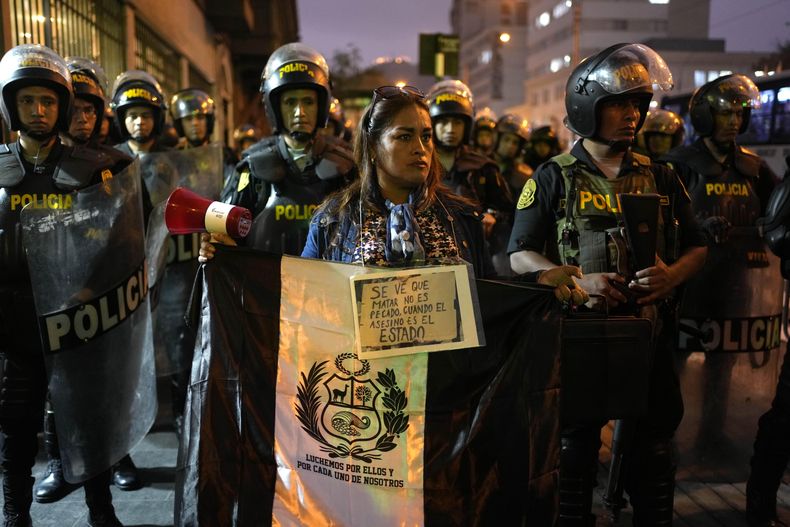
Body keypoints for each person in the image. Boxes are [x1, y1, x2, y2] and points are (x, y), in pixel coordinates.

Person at [508, 43, 707, 525]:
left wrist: (671, 276)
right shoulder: (554, 177)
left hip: (648, 334)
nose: (632, 115)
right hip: (582, 337)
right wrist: (575, 278)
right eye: (620, 103)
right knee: (574, 451)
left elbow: (698, 246)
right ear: (586, 106)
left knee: (655, 449)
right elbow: (519, 255)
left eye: (639, 104)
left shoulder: (662, 175)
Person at [201, 85, 587, 309]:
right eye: (404, 137)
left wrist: (540, 280)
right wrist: (229, 259)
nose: (420, 148)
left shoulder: (461, 217)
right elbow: (303, 296)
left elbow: (486, 295)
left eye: (425, 136)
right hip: (359, 400)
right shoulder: (333, 218)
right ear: (372, 146)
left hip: (442, 399)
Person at [0, 44, 125, 527]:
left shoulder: (93, 169)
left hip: (77, 317)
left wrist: (93, 293)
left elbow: (116, 244)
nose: (38, 111)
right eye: (28, 101)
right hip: (14, 323)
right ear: (12, 105)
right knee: (16, 425)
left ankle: (101, 511)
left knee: (87, 424)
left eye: (48, 102)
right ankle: (15, 511)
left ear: (63, 106)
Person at [659, 74, 778, 527]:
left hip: (735, 282)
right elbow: (662, 216)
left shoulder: (753, 167)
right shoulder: (678, 163)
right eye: (726, 112)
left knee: (723, 365)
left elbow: (776, 213)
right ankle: (668, 440)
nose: (734, 120)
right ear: (706, 115)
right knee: (675, 358)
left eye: (739, 113)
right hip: (689, 284)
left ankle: (711, 434)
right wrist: (695, 226)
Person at [34, 56, 135, 506]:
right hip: (55, 292)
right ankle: (59, 464)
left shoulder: (119, 162)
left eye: (91, 109)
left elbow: (138, 227)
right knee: (58, 389)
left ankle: (120, 457)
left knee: (113, 384)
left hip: (109, 294)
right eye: (77, 108)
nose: (83, 118)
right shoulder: (42, 166)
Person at [221, 42, 355, 255]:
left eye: (308, 102)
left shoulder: (347, 168)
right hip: (267, 286)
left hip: (331, 287)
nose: (299, 112)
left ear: (321, 105)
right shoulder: (252, 169)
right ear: (274, 107)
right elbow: (224, 235)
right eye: (290, 102)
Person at [425, 79, 513, 275]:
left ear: (467, 126)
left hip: (477, 253)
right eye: (443, 122)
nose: (450, 129)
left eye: (457, 122)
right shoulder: (420, 165)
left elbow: (507, 209)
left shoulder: (483, 167)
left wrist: (494, 217)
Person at [111, 70, 171, 157]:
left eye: (146, 116)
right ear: (121, 120)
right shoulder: (110, 159)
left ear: (157, 119)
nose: (139, 122)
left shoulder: (172, 159)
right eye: (133, 116)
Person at [493, 113, 533, 199]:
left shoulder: (524, 175)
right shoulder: (482, 166)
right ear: (497, 140)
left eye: (515, 142)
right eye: (506, 139)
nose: (510, 146)